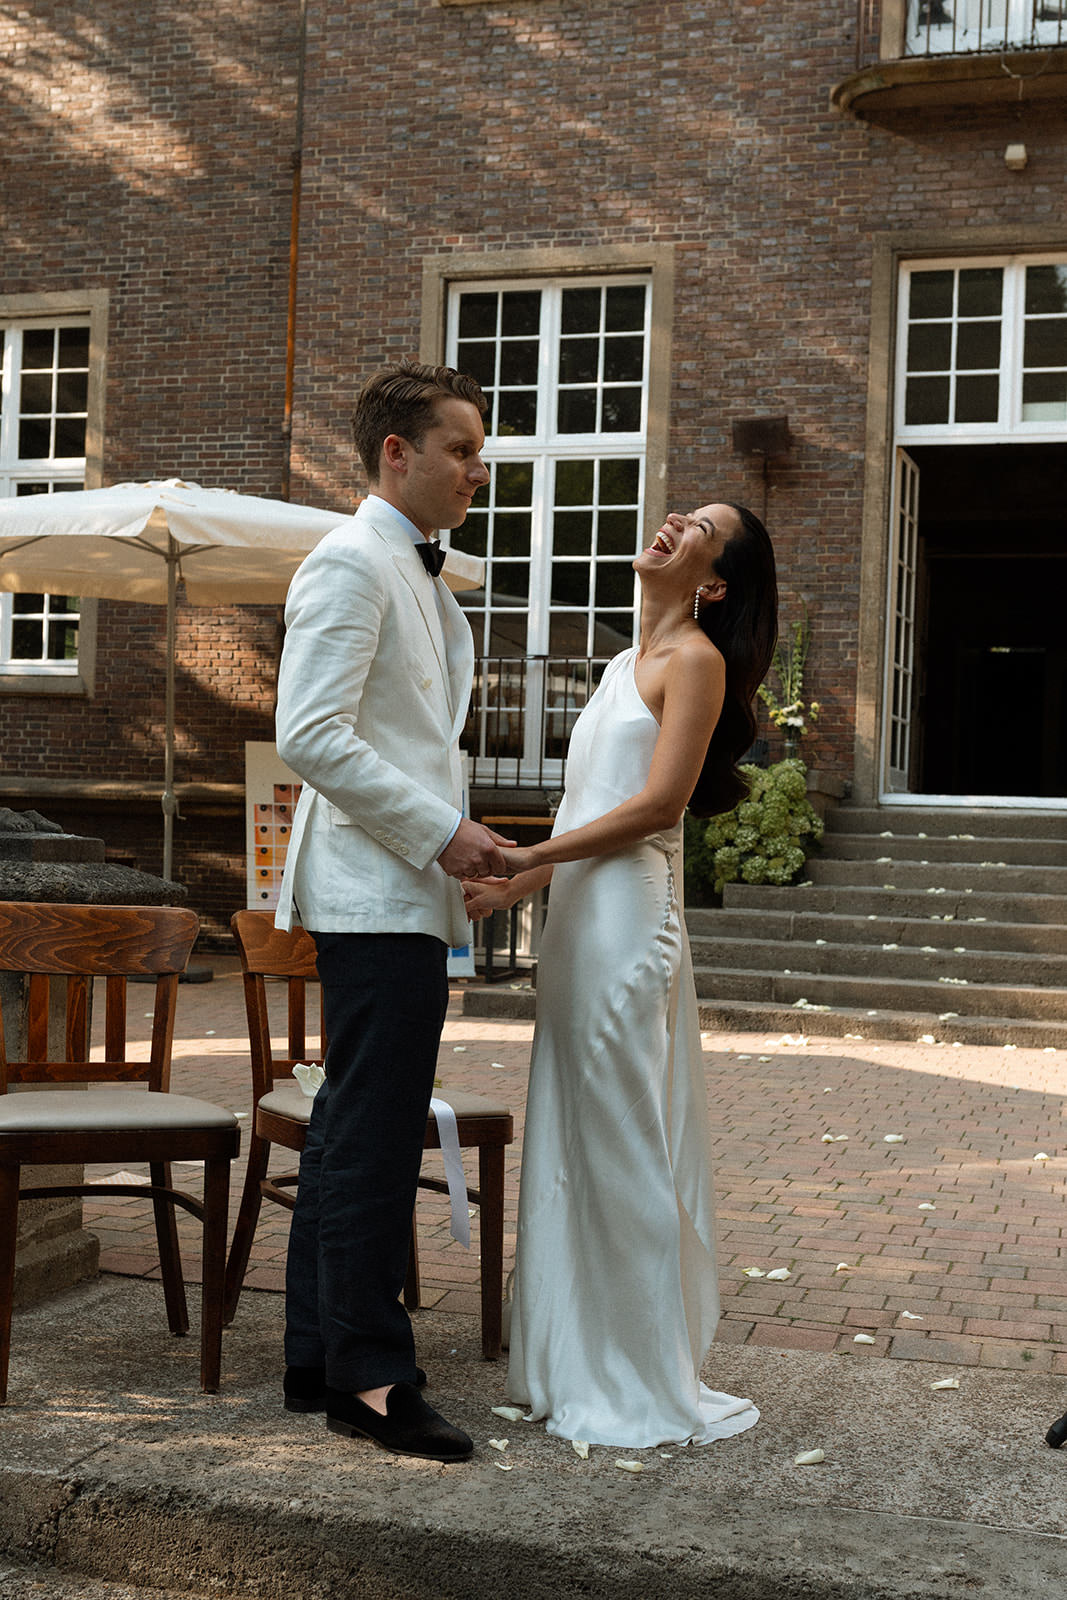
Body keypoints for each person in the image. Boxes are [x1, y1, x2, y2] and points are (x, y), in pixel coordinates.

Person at [465, 499, 778, 1449]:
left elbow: (655, 807)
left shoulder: (695, 660)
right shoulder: (613, 666)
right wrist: (519, 888)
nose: (675, 520)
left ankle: (640, 1373)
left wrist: (523, 858)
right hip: (573, 923)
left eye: (702, 528)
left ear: (712, 583)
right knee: (569, 1128)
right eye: (681, 509)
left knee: (623, 1137)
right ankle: (570, 1358)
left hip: (629, 923)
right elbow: (584, 805)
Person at [273, 361, 514, 1464]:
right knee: (371, 1133)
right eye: (461, 448)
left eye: (479, 449)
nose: (479, 468)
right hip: (372, 892)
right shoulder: (350, 561)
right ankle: (371, 1374)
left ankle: (318, 1355)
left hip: (400, 889)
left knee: (346, 1128)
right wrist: (443, 834)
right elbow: (310, 735)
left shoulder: (420, 572)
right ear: (395, 454)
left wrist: (449, 846)